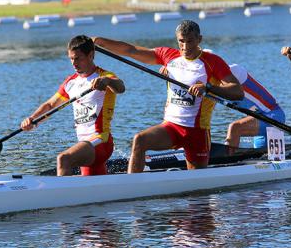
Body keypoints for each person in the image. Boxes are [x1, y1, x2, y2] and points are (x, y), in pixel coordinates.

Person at [93, 20, 244, 173]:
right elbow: (131, 50)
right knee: (140, 140)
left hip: (197, 132)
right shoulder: (169, 56)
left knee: (196, 186)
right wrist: (100, 42)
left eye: (190, 41)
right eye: (181, 41)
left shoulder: (212, 62)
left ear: (199, 39)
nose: (185, 47)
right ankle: (132, 186)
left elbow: (237, 92)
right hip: (171, 127)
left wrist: (208, 88)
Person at [21, 35, 125, 176]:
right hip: (84, 144)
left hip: (101, 141)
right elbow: (51, 105)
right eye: (71, 58)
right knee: (92, 189)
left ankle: (59, 197)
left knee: (64, 158)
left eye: (78, 58)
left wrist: (107, 82)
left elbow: (120, 88)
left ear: (91, 55)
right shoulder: (70, 82)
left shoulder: (105, 75)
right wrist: (32, 120)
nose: (73, 63)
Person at [225, 64, 286, 150]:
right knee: (261, 158)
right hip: (257, 118)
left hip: (273, 116)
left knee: (235, 128)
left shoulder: (233, 71)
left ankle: (228, 159)